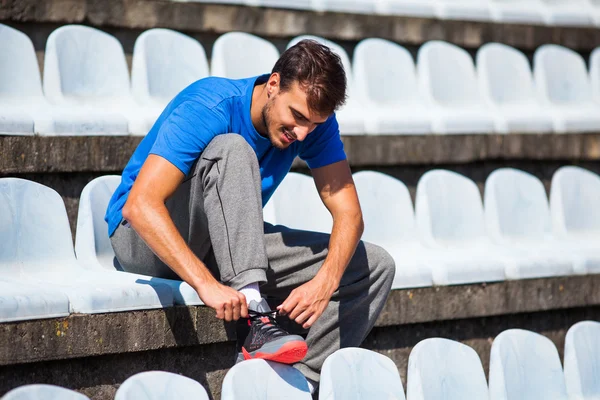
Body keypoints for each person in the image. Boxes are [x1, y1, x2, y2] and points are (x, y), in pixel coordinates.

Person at [105, 39, 395, 392]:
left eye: (314, 124)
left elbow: (349, 214)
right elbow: (141, 206)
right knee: (232, 148)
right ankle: (257, 317)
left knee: (374, 266)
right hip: (143, 241)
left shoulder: (313, 126)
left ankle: (287, 385)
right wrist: (207, 285)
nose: (302, 133)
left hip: (221, 243)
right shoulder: (210, 104)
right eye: (298, 116)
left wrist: (325, 282)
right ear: (273, 85)